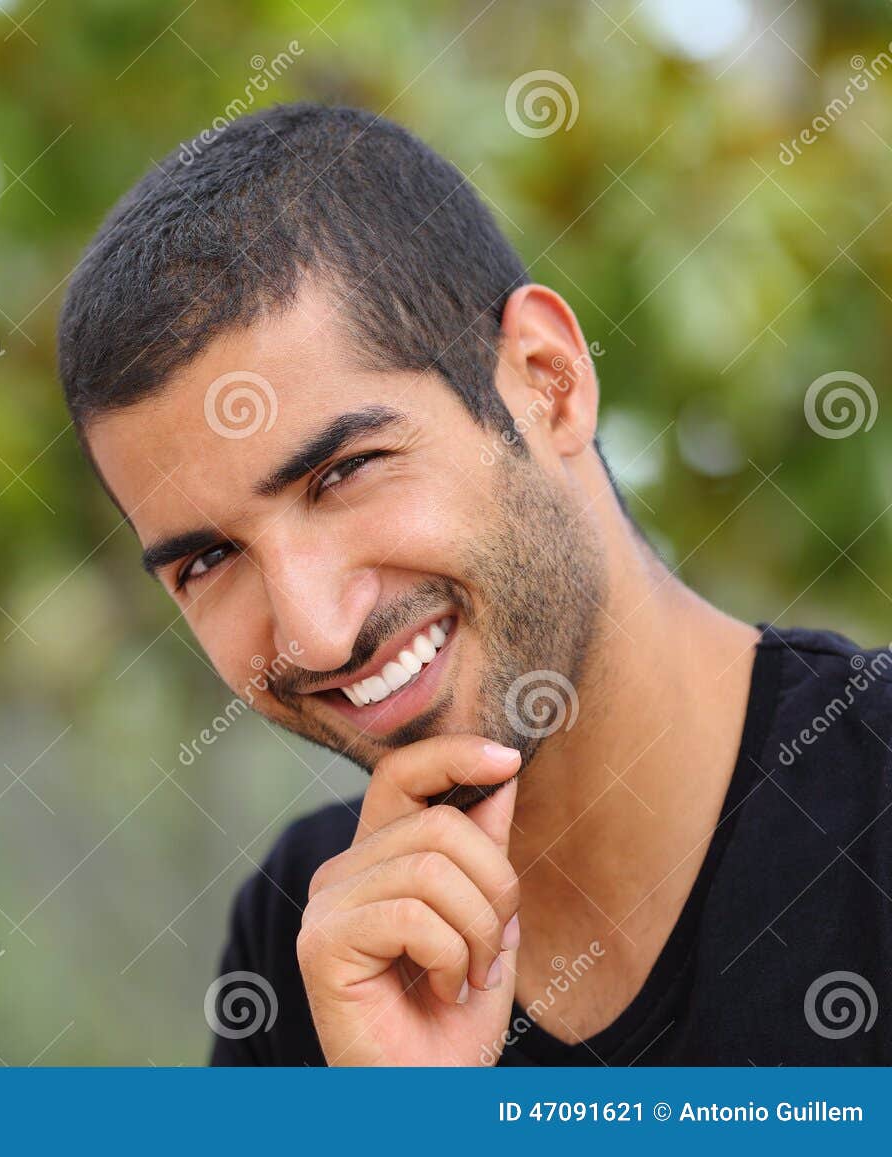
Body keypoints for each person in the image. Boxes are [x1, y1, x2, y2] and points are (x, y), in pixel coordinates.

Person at [54, 103, 892, 1065]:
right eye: (209, 560)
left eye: (343, 472)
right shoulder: (310, 948)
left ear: (548, 380)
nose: (318, 634)